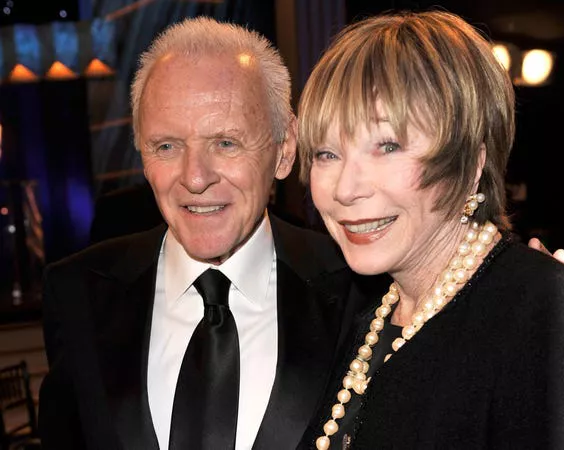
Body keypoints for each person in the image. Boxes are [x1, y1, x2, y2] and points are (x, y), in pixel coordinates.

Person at [38, 16, 385, 450]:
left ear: (284, 150)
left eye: (225, 143)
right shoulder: (78, 294)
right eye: (167, 146)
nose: (195, 178)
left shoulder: (367, 294)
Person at [296, 10, 564, 449]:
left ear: (470, 163)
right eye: (326, 153)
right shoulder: (368, 320)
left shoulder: (539, 312)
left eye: (387, 146)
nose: (345, 189)